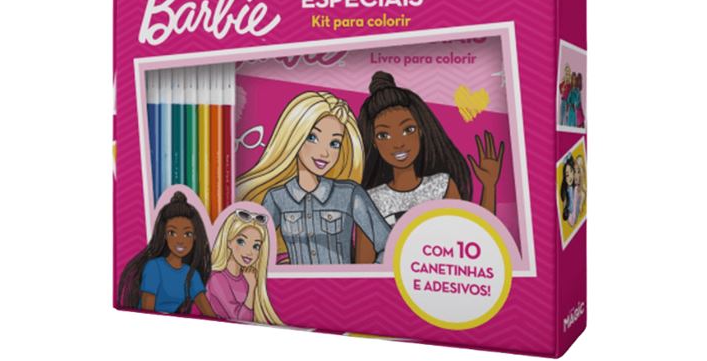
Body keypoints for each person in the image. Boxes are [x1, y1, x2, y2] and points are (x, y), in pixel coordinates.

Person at [236, 90, 390, 265]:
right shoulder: (277, 197)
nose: (324, 153)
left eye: (334, 143)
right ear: (294, 136)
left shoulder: (349, 194)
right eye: (312, 137)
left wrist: (369, 276)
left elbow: (389, 245)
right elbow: (252, 247)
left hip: (341, 283)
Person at [357, 72, 504, 232]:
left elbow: (469, 235)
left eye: (408, 130)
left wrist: (489, 186)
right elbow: (364, 249)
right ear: (374, 142)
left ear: (421, 131)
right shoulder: (370, 200)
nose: (398, 143)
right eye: (384, 135)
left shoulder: (441, 185)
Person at [117, 190, 217, 317]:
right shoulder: (154, 268)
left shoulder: (191, 275)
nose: (180, 240)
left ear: (195, 236)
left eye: (187, 234)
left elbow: (209, 314)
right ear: (164, 235)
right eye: (172, 233)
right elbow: (147, 312)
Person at [207, 209, 282, 324]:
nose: (249, 252)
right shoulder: (217, 278)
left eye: (256, 246)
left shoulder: (249, 276)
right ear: (229, 241)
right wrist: (252, 288)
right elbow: (241, 319)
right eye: (241, 242)